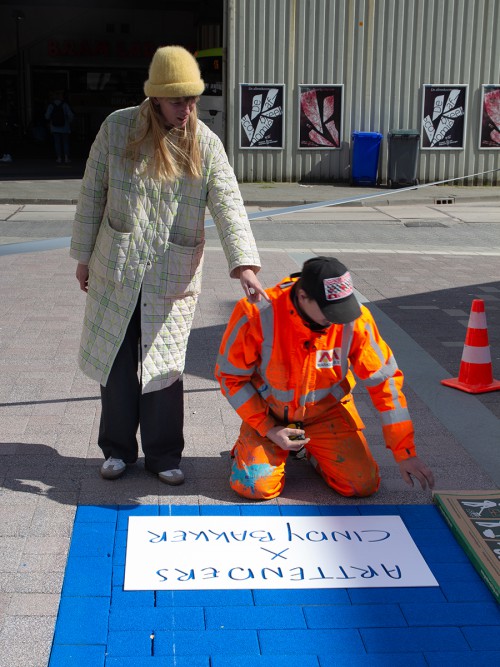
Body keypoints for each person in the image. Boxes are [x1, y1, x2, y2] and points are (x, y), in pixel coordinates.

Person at [70, 45, 267, 485]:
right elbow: (92, 194)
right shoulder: (118, 128)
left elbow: (229, 206)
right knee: (117, 361)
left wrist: (245, 267)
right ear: (156, 96)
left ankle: (163, 455)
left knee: (165, 365)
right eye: (179, 100)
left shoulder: (205, 143)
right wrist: (83, 257)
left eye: (193, 100)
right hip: (118, 265)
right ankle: (117, 450)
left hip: (171, 272)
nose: (188, 109)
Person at [216, 256, 435, 500]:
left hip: (325, 414)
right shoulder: (256, 314)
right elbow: (230, 378)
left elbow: (385, 383)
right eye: (329, 312)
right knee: (254, 487)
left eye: (341, 310)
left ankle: (309, 449)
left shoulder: (354, 319)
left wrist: (404, 452)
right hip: (270, 414)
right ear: (302, 297)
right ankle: (250, 446)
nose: (336, 320)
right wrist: (268, 429)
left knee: (363, 485)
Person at [45, 91, 74, 163]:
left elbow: (47, 116)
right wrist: (69, 122)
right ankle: (66, 158)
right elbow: (71, 115)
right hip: (65, 127)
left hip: (54, 127)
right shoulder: (65, 105)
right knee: (65, 142)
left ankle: (59, 158)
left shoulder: (51, 106)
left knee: (57, 142)